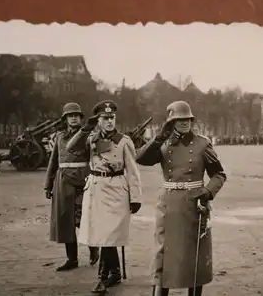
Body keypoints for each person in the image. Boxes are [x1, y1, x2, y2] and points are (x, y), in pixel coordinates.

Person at [136, 100, 227, 296]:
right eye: (179, 119)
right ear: (170, 122)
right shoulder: (163, 144)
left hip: (195, 205)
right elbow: (141, 158)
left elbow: (219, 174)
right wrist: (159, 137)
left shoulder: (203, 144)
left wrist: (208, 191)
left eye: (188, 119)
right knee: (163, 253)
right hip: (168, 205)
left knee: (195, 256)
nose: (184, 123)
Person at [66, 100, 143, 294]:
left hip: (116, 189)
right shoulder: (90, 138)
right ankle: (115, 271)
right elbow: (70, 148)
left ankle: (102, 278)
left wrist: (136, 197)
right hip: (94, 189)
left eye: (112, 118)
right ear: (98, 120)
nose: (109, 121)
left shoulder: (124, 141)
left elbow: (133, 171)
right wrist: (85, 128)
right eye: (105, 118)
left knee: (107, 235)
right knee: (103, 235)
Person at [44, 102, 100, 272]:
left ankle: (93, 249)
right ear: (65, 119)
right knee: (65, 221)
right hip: (63, 181)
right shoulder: (60, 137)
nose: (74, 118)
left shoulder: (90, 135)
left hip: (83, 180)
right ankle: (72, 259)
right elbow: (53, 161)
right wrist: (48, 184)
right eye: (70, 115)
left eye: (76, 115)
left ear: (81, 118)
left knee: (84, 219)